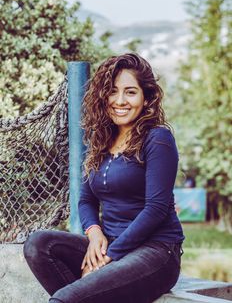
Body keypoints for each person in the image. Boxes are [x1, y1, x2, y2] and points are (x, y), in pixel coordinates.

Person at [23, 53, 185, 303]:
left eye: (130, 92)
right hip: (109, 243)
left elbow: (157, 208)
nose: (120, 100)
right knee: (38, 244)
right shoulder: (101, 140)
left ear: (146, 97)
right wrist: (95, 234)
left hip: (155, 251)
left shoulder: (157, 139)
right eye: (112, 91)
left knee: (64, 299)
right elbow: (86, 199)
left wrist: (107, 258)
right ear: (103, 96)